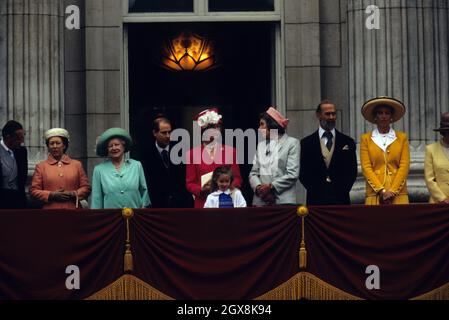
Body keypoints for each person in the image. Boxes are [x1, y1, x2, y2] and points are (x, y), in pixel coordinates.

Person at [299, 101, 357, 205]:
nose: (331, 117)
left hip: (341, 199)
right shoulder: (306, 143)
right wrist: (317, 191)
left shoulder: (348, 142)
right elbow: (303, 173)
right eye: (327, 114)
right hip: (316, 201)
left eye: (333, 114)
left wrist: (341, 190)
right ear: (318, 115)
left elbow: (352, 171)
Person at [186, 108, 243, 208]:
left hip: (226, 203)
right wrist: (201, 190)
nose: (216, 130)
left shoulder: (231, 151)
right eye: (212, 128)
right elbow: (190, 183)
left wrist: (226, 187)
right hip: (203, 204)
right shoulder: (192, 154)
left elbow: (237, 179)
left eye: (218, 127)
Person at [360, 97, 410, 205]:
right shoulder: (366, 139)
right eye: (380, 113)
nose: (383, 116)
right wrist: (381, 190)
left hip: (398, 194)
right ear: (375, 117)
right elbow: (366, 167)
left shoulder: (402, 138)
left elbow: (404, 165)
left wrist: (392, 191)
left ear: (391, 117)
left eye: (387, 113)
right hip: (375, 195)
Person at [249, 106, 300, 206]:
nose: (259, 129)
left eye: (262, 124)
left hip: (283, 202)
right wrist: (260, 189)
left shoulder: (292, 143)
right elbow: (253, 173)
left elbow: (292, 174)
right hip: (261, 201)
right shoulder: (261, 145)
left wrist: (271, 187)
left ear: (272, 125)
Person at [29, 128, 91, 209]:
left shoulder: (76, 165)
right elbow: (33, 191)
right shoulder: (41, 166)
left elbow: (86, 188)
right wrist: (51, 195)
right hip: (50, 211)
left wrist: (73, 194)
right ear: (48, 146)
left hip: (73, 210)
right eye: (51, 143)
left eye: (58, 143)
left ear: (64, 145)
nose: (55, 146)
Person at [139, 115, 193, 208]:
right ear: (154, 133)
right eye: (164, 133)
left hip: (181, 204)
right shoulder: (146, 153)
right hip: (158, 204)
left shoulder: (180, 151)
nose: (168, 136)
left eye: (169, 132)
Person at [91, 128, 151, 209]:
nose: (114, 148)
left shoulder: (136, 165)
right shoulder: (99, 170)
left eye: (117, 144)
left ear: (123, 146)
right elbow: (96, 199)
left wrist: (143, 211)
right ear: (107, 150)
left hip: (135, 216)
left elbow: (144, 192)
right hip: (111, 218)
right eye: (110, 146)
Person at [0, 120, 28, 209]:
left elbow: (23, 177)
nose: (21, 143)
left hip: (17, 201)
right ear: (8, 137)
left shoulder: (22, 151)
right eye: (19, 140)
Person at [424, 112, 449, 203]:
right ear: (443, 132)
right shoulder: (431, 149)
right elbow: (429, 179)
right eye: (448, 131)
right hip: (438, 202)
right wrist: (442, 198)